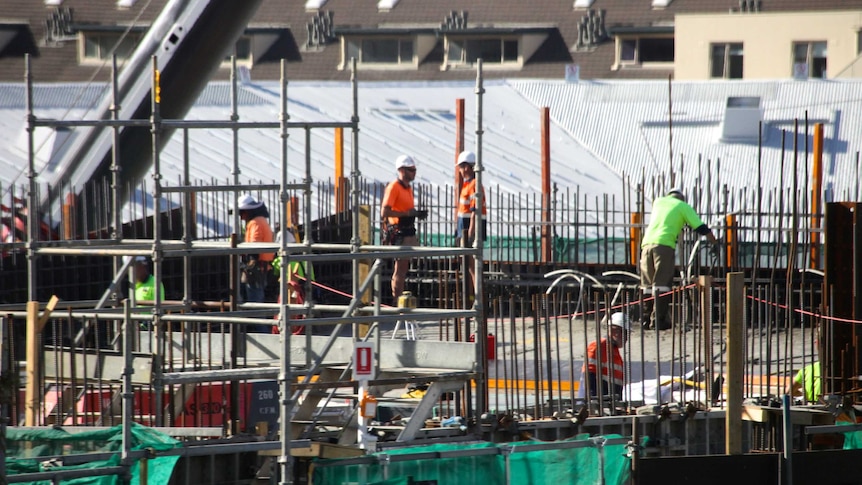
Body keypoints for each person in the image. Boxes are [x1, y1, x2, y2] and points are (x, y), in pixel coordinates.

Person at [639, 187, 718, 330]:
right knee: (661, 284)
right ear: (682, 197)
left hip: (646, 245)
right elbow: (701, 227)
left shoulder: (658, 202)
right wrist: (715, 242)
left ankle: (644, 319)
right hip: (664, 245)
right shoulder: (683, 206)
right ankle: (658, 320)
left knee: (647, 285)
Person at [380, 155, 426, 304]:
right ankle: (397, 302)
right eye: (411, 170)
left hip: (408, 230)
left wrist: (415, 214)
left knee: (404, 268)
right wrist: (406, 214)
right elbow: (385, 212)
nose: (414, 172)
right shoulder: (394, 187)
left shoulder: (408, 188)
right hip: (399, 231)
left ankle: (399, 300)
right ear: (402, 170)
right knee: (400, 269)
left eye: (414, 170)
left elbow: (405, 209)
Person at [455, 150, 487, 301]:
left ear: (467, 167)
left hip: (470, 229)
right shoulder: (468, 185)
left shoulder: (474, 185)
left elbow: (475, 211)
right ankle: (472, 297)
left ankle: (478, 300)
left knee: (473, 266)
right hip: (465, 228)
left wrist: (470, 234)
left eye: (461, 167)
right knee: (468, 266)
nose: (460, 171)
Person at [238, 193, 275, 311]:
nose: (241, 217)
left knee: (255, 305)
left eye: (242, 213)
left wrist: (251, 262)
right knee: (256, 301)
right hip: (262, 266)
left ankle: (261, 329)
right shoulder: (260, 221)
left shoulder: (255, 223)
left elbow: (255, 244)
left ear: (247, 212)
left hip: (257, 269)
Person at [578, 312, 629, 398]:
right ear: (614, 330)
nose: (627, 338)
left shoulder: (614, 351)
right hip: (597, 404)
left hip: (609, 403)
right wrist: (593, 402)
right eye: (625, 333)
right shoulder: (599, 346)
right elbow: (589, 375)